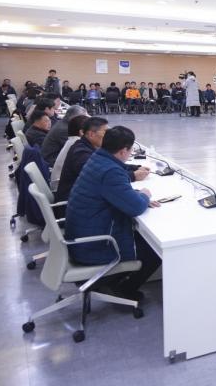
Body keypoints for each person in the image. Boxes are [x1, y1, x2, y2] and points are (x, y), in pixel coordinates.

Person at [64, 126, 160, 300]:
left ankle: (118, 281)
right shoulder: (111, 171)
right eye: (130, 150)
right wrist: (144, 195)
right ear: (123, 151)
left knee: (143, 238)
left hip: (81, 234)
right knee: (154, 250)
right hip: (94, 245)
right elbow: (136, 207)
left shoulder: (97, 159)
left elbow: (112, 192)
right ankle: (125, 290)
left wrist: (134, 195)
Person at [51, 114, 89, 192]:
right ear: (82, 132)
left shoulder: (72, 141)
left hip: (60, 184)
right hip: (63, 189)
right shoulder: (78, 145)